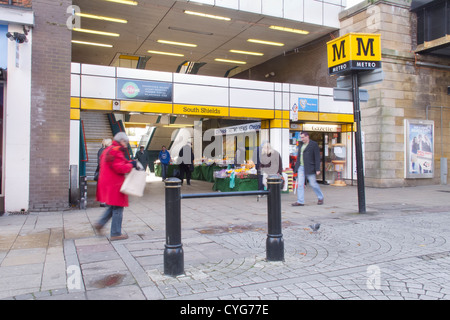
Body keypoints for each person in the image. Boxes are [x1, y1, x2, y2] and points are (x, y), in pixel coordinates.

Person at [95, 132, 137, 241]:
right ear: (121, 141)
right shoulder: (116, 150)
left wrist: (130, 162)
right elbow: (120, 168)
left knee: (113, 206)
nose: (126, 145)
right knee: (118, 207)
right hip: (115, 183)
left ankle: (100, 223)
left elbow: (119, 162)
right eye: (125, 142)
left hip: (107, 182)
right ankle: (115, 233)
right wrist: (131, 165)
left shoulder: (108, 149)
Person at [292, 131, 324, 206]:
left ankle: (320, 197)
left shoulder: (314, 145)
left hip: (310, 167)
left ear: (307, 136)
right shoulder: (300, 144)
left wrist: (317, 169)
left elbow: (317, 157)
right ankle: (300, 201)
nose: (301, 139)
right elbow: (299, 156)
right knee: (300, 184)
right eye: (301, 137)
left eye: (303, 137)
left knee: (313, 184)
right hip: (301, 167)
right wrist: (296, 168)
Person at [95, 138, 112, 207]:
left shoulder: (102, 150)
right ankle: (103, 202)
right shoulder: (104, 150)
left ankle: (104, 201)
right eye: (110, 142)